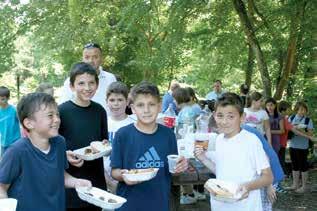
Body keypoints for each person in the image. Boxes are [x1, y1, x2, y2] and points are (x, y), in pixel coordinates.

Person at [0, 92, 91, 211]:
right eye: (50, 115)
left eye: (57, 114)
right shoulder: (16, 151)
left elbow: (60, 175)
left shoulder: (59, 143)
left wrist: (76, 182)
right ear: (29, 123)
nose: (57, 119)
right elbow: (1, 187)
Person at [110, 81, 188, 211]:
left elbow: (172, 170)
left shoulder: (168, 134)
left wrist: (179, 167)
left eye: (151, 104)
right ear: (133, 108)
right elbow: (114, 171)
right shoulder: (122, 134)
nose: (146, 110)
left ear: (159, 106)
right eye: (140, 105)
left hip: (159, 203)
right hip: (128, 205)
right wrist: (124, 176)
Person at [195, 93, 273, 211]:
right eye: (220, 116)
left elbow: (268, 177)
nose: (224, 121)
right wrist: (203, 158)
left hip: (246, 206)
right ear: (214, 116)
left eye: (231, 116)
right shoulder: (219, 140)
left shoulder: (251, 141)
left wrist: (247, 186)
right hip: (221, 205)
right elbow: (222, 171)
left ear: (242, 117)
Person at [58, 62, 108, 210]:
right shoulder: (61, 111)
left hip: (96, 180)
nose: (87, 88)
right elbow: (52, 145)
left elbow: (103, 140)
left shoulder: (99, 111)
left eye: (91, 83)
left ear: (97, 85)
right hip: (71, 181)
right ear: (72, 86)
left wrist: (105, 144)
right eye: (81, 83)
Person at [60, 43, 116, 111]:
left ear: (101, 59)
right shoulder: (70, 81)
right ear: (82, 59)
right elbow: (63, 108)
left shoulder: (110, 78)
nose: (91, 61)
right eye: (87, 57)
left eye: (95, 57)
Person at [104, 81, 135, 194]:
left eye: (120, 100)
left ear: (127, 102)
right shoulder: (103, 123)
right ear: (106, 102)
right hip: (106, 177)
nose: (116, 104)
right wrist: (108, 181)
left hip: (128, 176)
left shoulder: (134, 123)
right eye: (112, 100)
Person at [286, 101, 314, 193]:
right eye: (300, 109)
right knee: (294, 165)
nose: (302, 111)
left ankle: (304, 186)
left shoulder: (308, 120)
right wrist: (293, 129)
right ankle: (295, 184)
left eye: (304, 110)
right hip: (293, 145)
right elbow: (288, 130)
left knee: (303, 166)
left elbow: (310, 134)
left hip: (303, 146)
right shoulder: (291, 118)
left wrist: (300, 130)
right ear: (296, 110)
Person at [0, 86, 21, 156]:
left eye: (2, 99)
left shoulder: (14, 110)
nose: (0, 101)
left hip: (15, 141)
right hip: (4, 142)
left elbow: (22, 122)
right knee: (4, 162)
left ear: (8, 98)